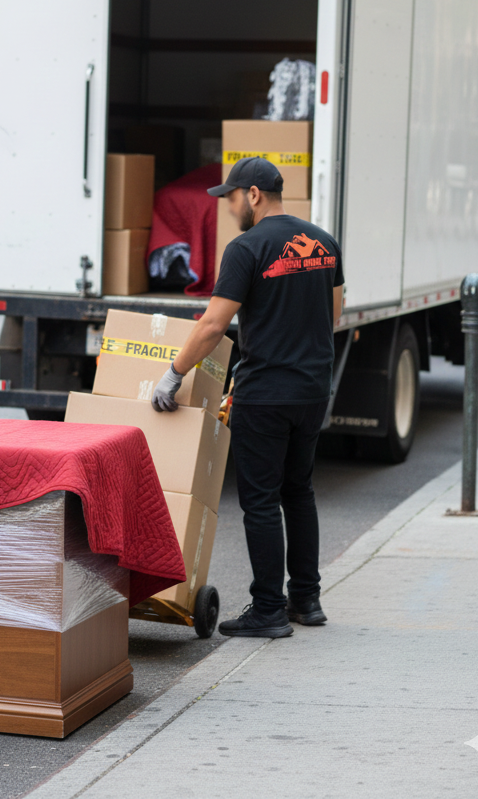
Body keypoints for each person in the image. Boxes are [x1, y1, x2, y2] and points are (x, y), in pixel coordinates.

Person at [151, 156, 343, 639]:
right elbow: (334, 315)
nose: (229, 206)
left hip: (266, 393)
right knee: (298, 491)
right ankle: (307, 600)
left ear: (253, 195)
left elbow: (213, 325)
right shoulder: (325, 242)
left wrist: (174, 374)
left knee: (260, 501)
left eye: (232, 197)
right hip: (313, 390)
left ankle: (268, 610)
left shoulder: (246, 248)